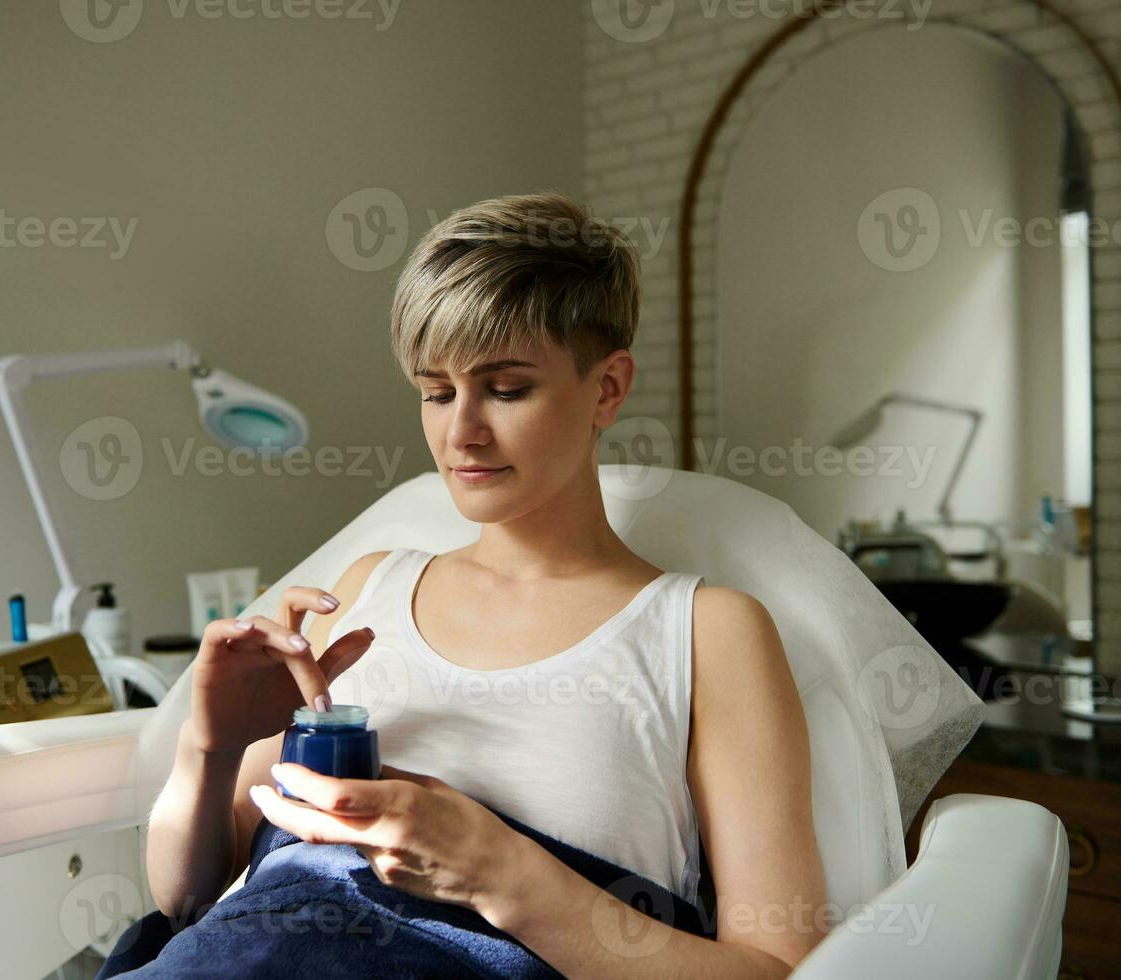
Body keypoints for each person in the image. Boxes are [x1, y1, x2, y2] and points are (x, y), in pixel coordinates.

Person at [145, 192, 828, 978]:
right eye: (436, 393)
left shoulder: (707, 632)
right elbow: (186, 902)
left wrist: (500, 873)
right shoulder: (366, 594)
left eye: (506, 389)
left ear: (607, 389)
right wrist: (211, 748)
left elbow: (780, 968)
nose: (460, 431)